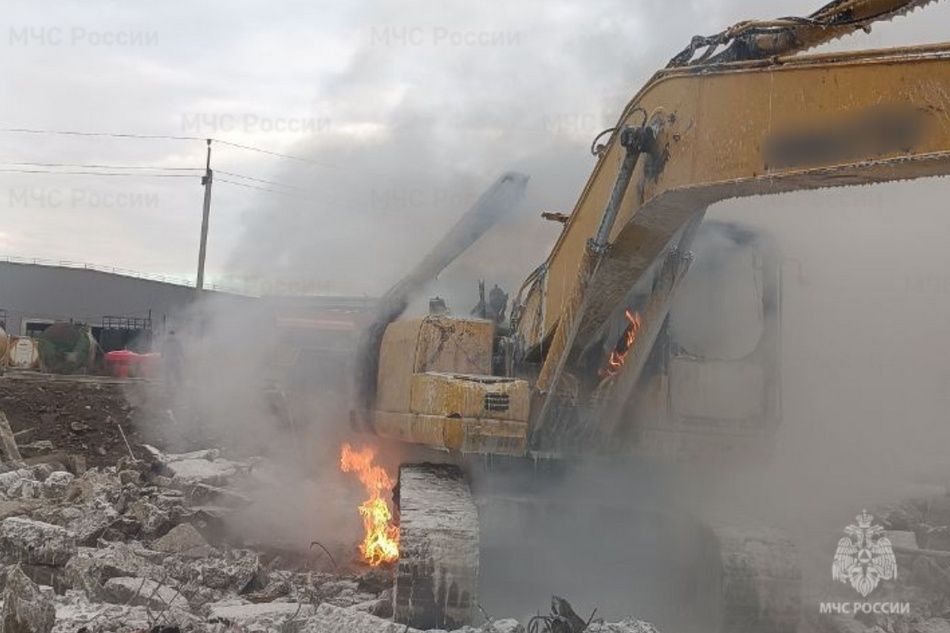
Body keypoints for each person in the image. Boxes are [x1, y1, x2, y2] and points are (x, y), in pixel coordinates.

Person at [161, 329, 184, 394]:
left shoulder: (167, 341)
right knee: (173, 374)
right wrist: (182, 357)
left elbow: (162, 350)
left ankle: (170, 388)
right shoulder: (175, 341)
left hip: (170, 360)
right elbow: (181, 350)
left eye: (171, 335)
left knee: (171, 374)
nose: (171, 336)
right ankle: (176, 387)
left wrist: (162, 355)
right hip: (172, 360)